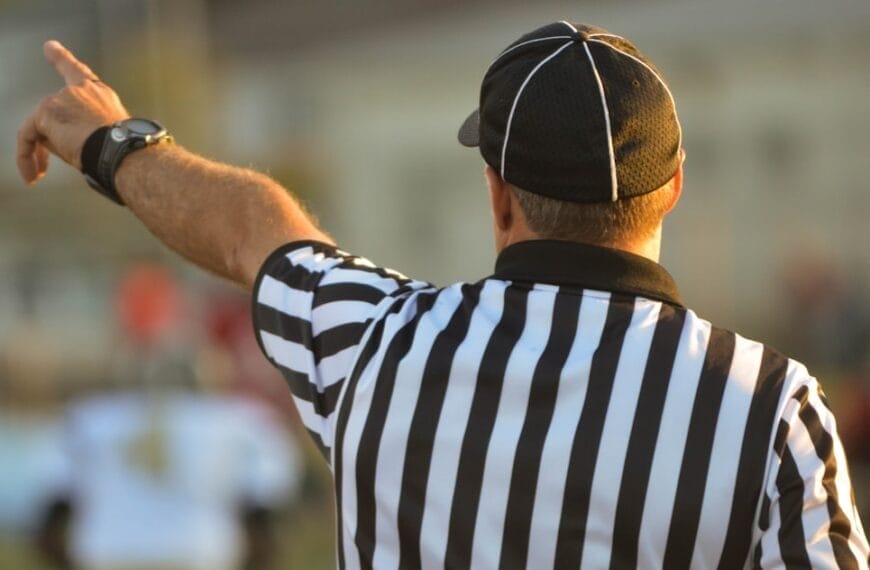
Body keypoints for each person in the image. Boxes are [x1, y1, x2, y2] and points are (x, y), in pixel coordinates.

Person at [17, 20, 869, 569]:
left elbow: (249, 228)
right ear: (674, 186)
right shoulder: (772, 408)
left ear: (497, 191)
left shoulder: (373, 345)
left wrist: (111, 142)